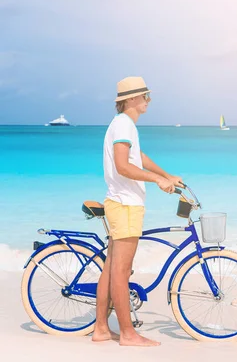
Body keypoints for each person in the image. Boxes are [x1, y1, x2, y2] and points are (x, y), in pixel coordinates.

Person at [91, 76, 183, 346]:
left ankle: (101, 329)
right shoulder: (123, 124)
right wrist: (157, 181)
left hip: (121, 203)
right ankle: (128, 334)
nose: (149, 100)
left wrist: (167, 174)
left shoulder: (125, 125)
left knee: (111, 270)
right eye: (145, 96)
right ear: (131, 99)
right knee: (121, 271)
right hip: (125, 204)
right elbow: (122, 165)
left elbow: (137, 157)